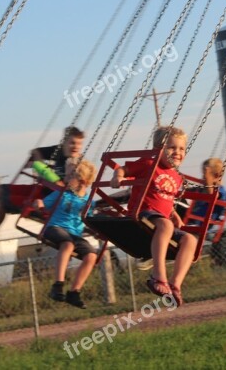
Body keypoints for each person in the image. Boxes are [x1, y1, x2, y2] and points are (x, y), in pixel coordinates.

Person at [0, 126, 85, 250]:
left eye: (78, 144)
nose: (75, 147)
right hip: (42, 190)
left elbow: (70, 187)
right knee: (0, 189)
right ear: (64, 142)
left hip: (51, 199)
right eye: (72, 143)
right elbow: (35, 152)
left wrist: (46, 173)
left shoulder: (78, 164)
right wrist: (42, 166)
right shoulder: (59, 151)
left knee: (2, 202)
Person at [110, 126, 195, 307]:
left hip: (162, 219)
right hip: (143, 213)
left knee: (190, 240)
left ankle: (175, 284)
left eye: (181, 149)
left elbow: (165, 198)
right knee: (165, 226)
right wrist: (117, 176)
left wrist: (173, 214)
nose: (177, 152)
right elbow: (124, 169)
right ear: (158, 149)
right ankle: (158, 276)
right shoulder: (149, 164)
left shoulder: (177, 176)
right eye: (172, 147)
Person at [32, 158, 98, 309]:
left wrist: (95, 230)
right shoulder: (61, 194)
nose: (65, 179)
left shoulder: (88, 201)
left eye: (69, 176)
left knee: (92, 255)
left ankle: (74, 292)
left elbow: (90, 219)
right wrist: (39, 204)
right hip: (55, 228)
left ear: (82, 181)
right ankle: (58, 285)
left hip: (75, 234)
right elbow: (44, 203)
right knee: (67, 244)